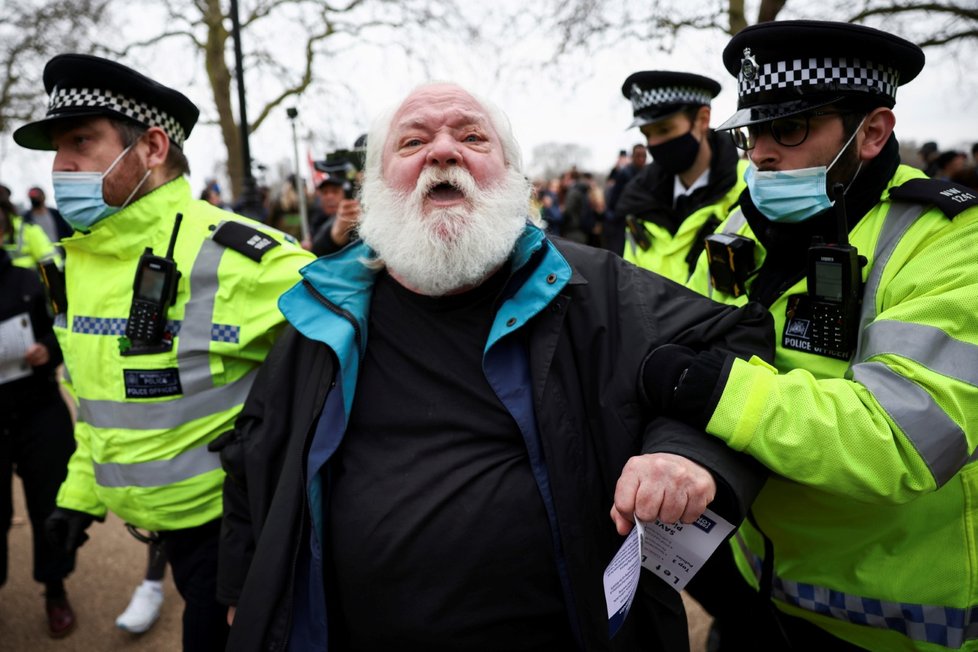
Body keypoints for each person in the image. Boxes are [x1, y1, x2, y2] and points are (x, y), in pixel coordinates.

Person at [213, 81, 775, 651]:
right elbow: (254, 450)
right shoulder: (322, 312)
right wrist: (241, 589)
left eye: (472, 136)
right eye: (412, 142)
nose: (442, 151)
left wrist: (683, 453)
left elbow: (737, 341)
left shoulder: (592, 291)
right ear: (375, 185)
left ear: (512, 174)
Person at [648, 20, 978, 651]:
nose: (761, 153)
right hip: (762, 588)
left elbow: (903, 436)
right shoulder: (737, 234)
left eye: (791, 129)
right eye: (752, 132)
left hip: (901, 626)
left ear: (873, 132)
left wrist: (721, 391)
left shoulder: (949, 238)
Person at [12, 53, 314, 651]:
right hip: (160, 532)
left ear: (152, 146)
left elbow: (365, 346)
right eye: (55, 147)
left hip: (230, 539)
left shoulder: (241, 259)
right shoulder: (76, 264)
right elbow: (99, 405)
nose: (60, 166)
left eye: (80, 141)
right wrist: (80, 498)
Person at [0, 211, 77, 638]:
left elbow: (65, 329)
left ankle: (55, 589)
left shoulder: (31, 281)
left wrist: (48, 350)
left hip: (38, 411)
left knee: (49, 504)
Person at [615, 71, 747, 283]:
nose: (654, 144)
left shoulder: (750, 187)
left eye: (664, 129)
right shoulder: (639, 201)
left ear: (703, 119)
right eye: (646, 134)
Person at [604, 143, 647, 253]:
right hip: (624, 220)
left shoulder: (648, 173)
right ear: (632, 156)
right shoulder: (624, 173)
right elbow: (614, 197)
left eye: (644, 156)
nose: (641, 159)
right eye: (638, 155)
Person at [308, 172, 360, 256]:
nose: (329, 197)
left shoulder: (353, 216)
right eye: (325, 192)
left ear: (344, 195)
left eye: (335, 192)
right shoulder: (314, 217)